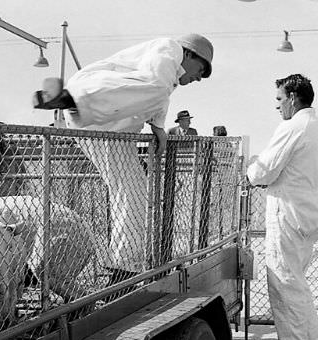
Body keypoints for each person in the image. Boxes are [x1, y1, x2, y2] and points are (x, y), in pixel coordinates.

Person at [33, 34, 213, 282]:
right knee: (132, 193)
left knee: (133, 193)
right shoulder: (168, 50)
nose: (198, 78)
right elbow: (155, 87)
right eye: (200, 70)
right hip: (92, 113)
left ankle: (123, 268)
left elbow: (157, 93)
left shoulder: (163, 76)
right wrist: (158, 123)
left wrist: (158, 127)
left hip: (107, 127)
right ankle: (123, 269)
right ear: (189, 54)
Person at [246, 74, 318, 340]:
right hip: (310, 210)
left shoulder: (292, 126)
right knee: (297, 280)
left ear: (293, 98)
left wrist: (249, 173)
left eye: (280, 99)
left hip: (289, 211)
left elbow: (265, 171)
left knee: (283, 280)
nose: (278, 106)